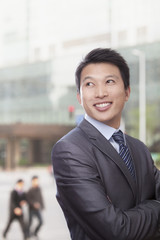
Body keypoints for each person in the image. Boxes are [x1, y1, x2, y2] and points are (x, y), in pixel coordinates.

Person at [51, 48, 160, 240]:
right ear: (79, 97)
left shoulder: (138, 148)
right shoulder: (69, 150)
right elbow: (114, 231)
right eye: (90, 84)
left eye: (109, 81)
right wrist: (156, 205)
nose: (100, 93)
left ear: (127, 92)